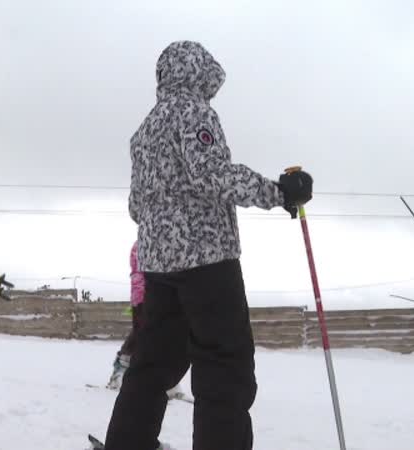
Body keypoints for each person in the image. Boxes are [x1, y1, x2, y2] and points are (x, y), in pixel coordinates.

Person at [102, 41, 313, 450]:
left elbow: (135, 206)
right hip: (207, 262)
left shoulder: (143, 132)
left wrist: (164, 225)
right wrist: (281, 192)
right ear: (201, 72)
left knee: (152, 365)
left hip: (160, 268)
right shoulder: (194, 113)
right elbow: (213, 175)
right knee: (223, 366)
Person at [107, 241, 185, 401]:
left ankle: (169, 382)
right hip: (145, 297)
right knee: (142, 338)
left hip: (160, 297)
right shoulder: (143, 243)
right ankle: (120, 372)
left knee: (162, 339)